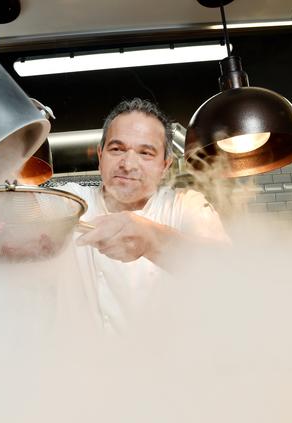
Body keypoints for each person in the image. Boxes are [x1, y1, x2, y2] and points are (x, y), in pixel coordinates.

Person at [60, 98, 229, 332]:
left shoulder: (185, 205)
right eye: (116, 149)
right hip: (88, 362)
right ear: (100, 156)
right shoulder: (73, 202)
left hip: (170, 361)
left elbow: (227, 274)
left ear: (165, 165)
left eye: (146, 153)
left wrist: (151, 238)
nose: (128, 164)